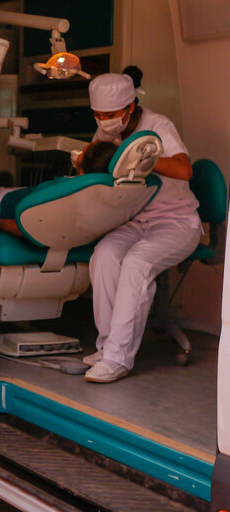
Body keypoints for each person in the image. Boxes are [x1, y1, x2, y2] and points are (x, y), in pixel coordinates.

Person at [83, 67, 200, 383]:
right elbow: (96, 167)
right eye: (98, 114)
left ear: (130, 106)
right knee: (104, 255)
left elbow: (184, 170)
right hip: (137, 220)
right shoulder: (106, 132)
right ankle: (107, 347)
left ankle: (119, 359)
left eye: (110, 113)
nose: (104, 120)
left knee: (136, 262)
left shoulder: (158, 126)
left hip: (177, 223)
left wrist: (144, 160)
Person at [0, 140, 118, 238]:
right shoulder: (104, 198)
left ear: (83, 170)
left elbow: (28, 228)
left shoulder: (63, 195)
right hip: (20, 194)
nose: (78, 153)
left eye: (83, 152)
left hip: (2, 204)